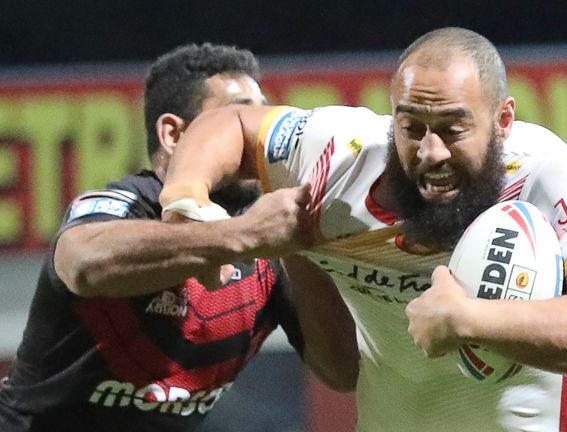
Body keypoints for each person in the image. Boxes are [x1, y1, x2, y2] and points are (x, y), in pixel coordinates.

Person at [159, 28, 567, 431]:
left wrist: (469, 321)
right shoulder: (337, 158)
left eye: (453, 128)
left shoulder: (550, 176)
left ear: (503, 120)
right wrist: (185, 199)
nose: (431, 153)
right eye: (412, 126)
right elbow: (233, 125)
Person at [0, 43, 358, 432]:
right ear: (174, 134)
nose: (258, 137)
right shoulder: (129, 204)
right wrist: (242, 235)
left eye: (263, 119)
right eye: (238, 117)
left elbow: (342, 372)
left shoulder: (270, 243)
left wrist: (300, 247)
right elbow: (83, 263)